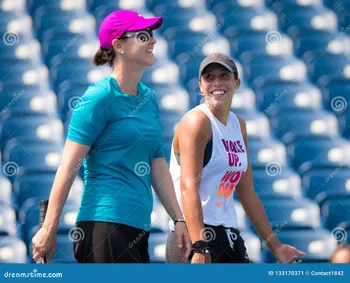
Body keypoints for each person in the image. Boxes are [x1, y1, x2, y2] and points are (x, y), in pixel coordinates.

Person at [32, 10, 191, 263]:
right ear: (119, 45)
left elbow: (156, 163)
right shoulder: (99, 97)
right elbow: (68, 166)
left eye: (151, 34)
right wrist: (49, 228)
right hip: (103, 227)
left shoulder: (149, 98)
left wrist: (178, 218)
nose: (153, 40)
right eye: (143, 35)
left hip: (139, 228)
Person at [165, 53, 306, 264]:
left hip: (229, 234)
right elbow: (188, 187)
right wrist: (200, 246)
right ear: (200, 85)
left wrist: (275, 245)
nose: (217, 82)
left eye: (224, 75)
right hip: (195, 236)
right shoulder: (197, 121)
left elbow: (246, 191)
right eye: (209, 77)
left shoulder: (238, 125)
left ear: (237, 82)